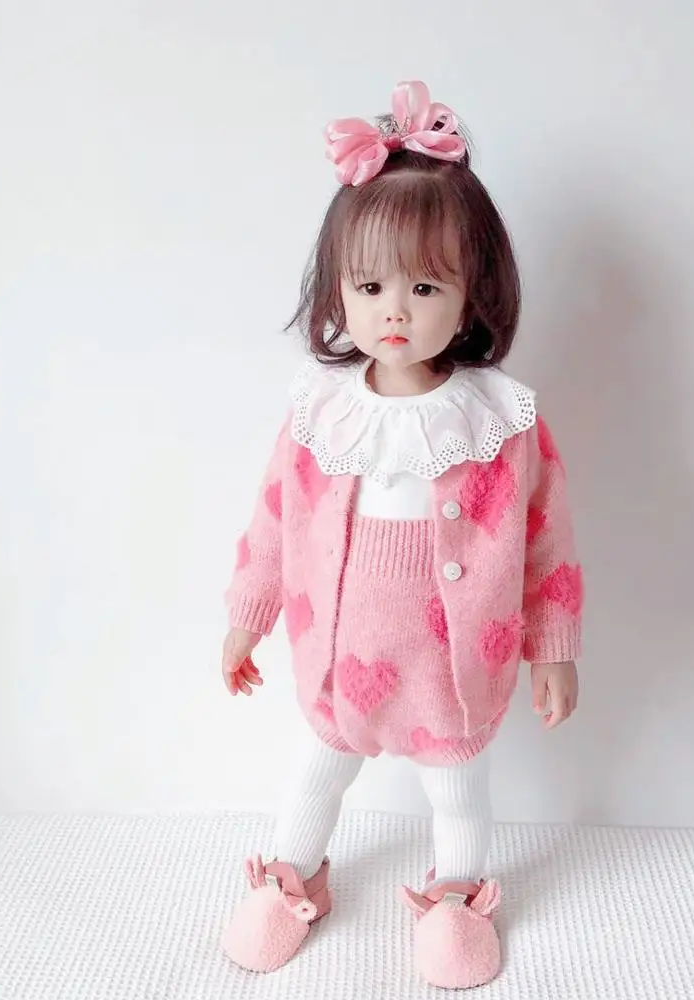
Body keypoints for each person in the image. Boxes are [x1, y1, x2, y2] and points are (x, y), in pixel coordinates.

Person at [218, 80, 584, 990]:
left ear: (472, 294)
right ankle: (293, 874)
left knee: (456, 790)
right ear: (338, 289)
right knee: (316, 774)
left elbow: (546, 542)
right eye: (371, 285)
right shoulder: (320, 411)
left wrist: (553, 647)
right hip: (339, 661)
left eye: (424, 287)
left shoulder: (500, 420)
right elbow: (274, 516)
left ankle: (456, 895)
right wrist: (248, 616)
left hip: (453, 666)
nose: (394, 310)